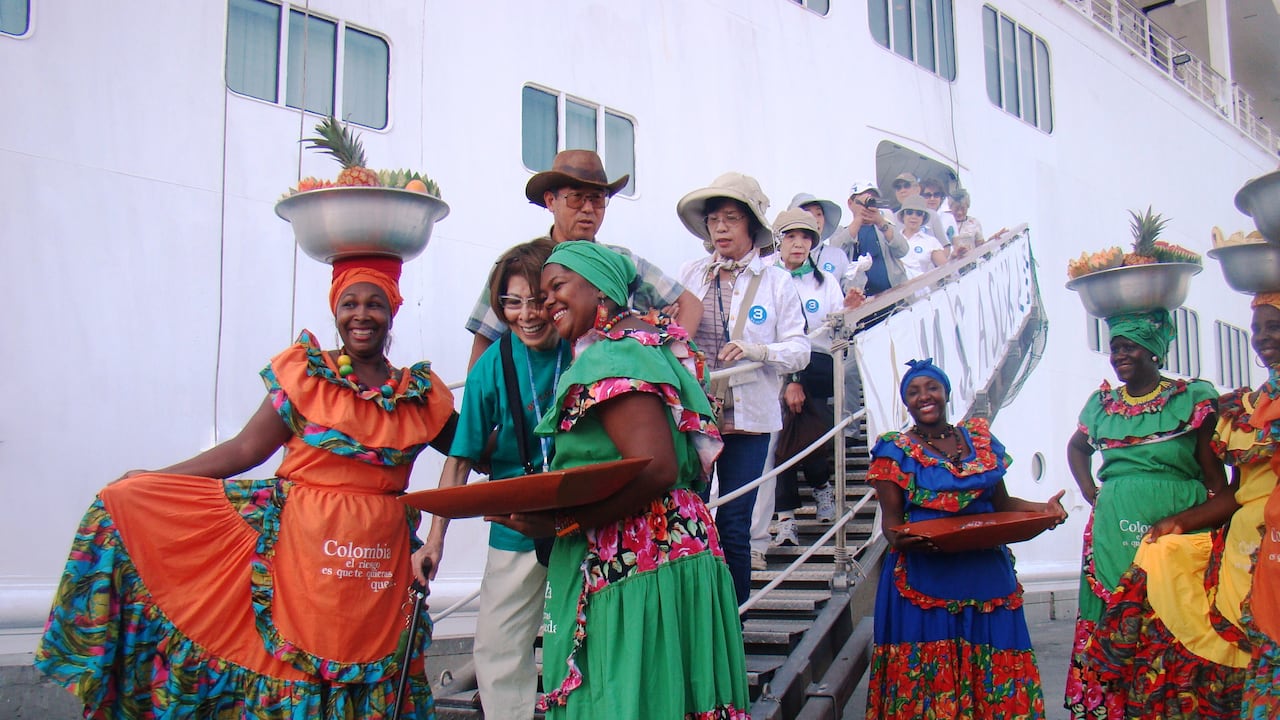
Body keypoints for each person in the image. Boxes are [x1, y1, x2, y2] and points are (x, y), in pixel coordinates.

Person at [35, 256, 457, 719]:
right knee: (295, 669)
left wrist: (500, 378)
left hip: (378, 567)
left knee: (375, 667)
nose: (361, 315)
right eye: (349, 303)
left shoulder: (417, 395)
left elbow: (473, 446)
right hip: (300, 559)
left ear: (392, 311)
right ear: (335, 311)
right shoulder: (307, 377)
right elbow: (244, 450)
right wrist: (157, 479)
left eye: (374, 304)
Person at [489, 241, 750, 719]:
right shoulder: (651, 343)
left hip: (633, 556)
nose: (547, 303)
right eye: (542, 295)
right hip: (674, 544)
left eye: (557, 287)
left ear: (601, 289)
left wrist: (564, 522)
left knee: (625, 697)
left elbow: (656, 467)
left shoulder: (613, 354)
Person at [1082, 294, 1280, 717]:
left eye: (1274, 327)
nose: (1262, 338)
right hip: (1243, 549)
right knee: (1162, 567)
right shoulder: (1249, 408)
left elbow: (1220, 480)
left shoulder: (1198, 400)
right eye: (1257, 329)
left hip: (1272, 547)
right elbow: (1235, 493)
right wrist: (1178, 522)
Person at [414, 239, 571, 720]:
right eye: (512, 302)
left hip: (583, 521)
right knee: (498, 646)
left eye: (537, 300)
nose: (527, 315)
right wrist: (435, 540)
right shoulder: (492, 365)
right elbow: (459, 459)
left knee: (584, 640)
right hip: (515, 525)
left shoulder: (583, 348)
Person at [865, 358, 1067, 718]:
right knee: (929, 682)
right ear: (906, 403)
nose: (924, 397)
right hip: (926, 579)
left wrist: (1044, 510)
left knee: (994, 672)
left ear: (946, 393)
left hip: (986, 575)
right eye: (913, 392)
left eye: (931, 388)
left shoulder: (980, 441)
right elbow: (892, 526)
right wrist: (904, 540)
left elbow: (1002, 504)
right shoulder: (894, 451)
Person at [1063, 309, 1226, 719]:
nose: (1119, 355)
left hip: (1179, 531)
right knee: (1112, 616)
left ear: (1153, 351)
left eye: (1129, 347)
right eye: (1114, 348)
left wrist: (1221, 531)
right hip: (1113, 529)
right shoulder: (1102, 406)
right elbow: (1077, 448)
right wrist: (1090, 491)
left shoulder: (1191, 399)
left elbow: (1215, 478)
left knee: (1172, 617)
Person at [676, 172, 810, 605]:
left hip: (749, 420)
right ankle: (697, 619)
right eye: (714, 219)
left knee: (734, 523)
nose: (721, 228)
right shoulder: (692, 273)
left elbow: (800, 350)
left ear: (751, 224)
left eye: (731, 218)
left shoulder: (776, 281)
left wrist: (759, 351)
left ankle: (735, 620)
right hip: (694, 415)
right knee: (689, 518)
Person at [465, 149, 700, 367]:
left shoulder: (619, 263)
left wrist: (665, 364)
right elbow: (485, 339)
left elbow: (690, 305)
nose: (588, 208)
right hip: (534, 393)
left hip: (606, 388)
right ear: (550, 201)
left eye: (597, 199)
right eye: (576, 197)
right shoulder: (521, 266)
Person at [769, 209, 857, 546]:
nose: (798, 244)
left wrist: (849, 310)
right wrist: (790, 377)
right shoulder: (766, 277)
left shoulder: (825, 281)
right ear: (778, 241)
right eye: (791, 236)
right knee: (780, 439)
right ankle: (795, 509)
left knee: (805, 429)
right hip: (774, 365)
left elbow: (835, 327)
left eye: (805, 237)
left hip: (816, 364)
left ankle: (810, 496)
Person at [788, 191, 848, 280]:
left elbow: (847, 285)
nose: (815, 220)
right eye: (808, 214)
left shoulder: (837, 256)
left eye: (819, 214)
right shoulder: (779, 258)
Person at [896, 195, 949, 280]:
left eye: (919, 214)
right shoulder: (893, 240)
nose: (914, 216)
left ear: (923, 218)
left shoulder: (931, 242)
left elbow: (946, 270)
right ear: (903, 215)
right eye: (909, 212)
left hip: (922, 286)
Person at [919, 177, 956, 244]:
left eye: (936, 195)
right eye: (928, 195)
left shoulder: (949, 218)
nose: (932, 199)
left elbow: (955, 241)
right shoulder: (916, 217)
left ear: (941, 197)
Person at [948, 189, 985, 257]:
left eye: (963, 209)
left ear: (967, 207)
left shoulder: (974, 222)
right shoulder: (944, 223)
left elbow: (981, 247)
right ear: (950, 207)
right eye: (956, 209)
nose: (959, 212)